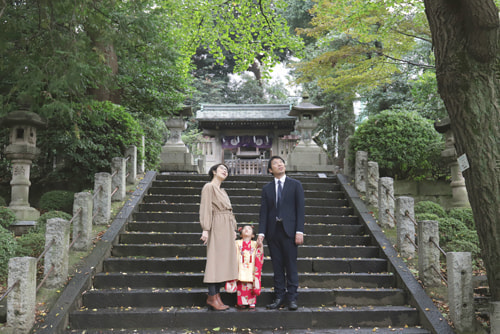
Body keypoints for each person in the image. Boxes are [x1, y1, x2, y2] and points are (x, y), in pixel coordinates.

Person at [257, 156, 305, 311]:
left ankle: (292, 298)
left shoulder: (295, 185)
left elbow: (300, 210)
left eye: (281, 163)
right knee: (277, 267)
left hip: (290, 231)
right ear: (270, 170)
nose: (280, 165)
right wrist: (261, 233)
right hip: (272, 232)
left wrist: (299, 231)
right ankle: (279, 297)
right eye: (275, 164)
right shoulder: (267, 189)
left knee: (291, 265)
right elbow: (263, 212)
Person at [199, 163, 238, 311]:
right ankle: (212, 296)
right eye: (222, 168)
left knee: (224, 262)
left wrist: (233, 228)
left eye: (227, 170)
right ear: (214, 171)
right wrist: (205, 229)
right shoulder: (209, 187)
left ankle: (216, 297)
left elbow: (230, 211)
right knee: (215, 261)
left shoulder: (223, 191)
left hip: (227, 226)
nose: (225, 171)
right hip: (216, 225)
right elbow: (205, 208)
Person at [226, 225, 264, 309]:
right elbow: (231, 249)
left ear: (253, 235)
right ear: (241, 234)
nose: (247, 230)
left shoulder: (255, 244)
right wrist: (232, 238)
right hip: (240, 267)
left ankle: (251, 302)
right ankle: (241, 302)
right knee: (241, 284)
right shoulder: (237, 242)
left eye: (249, 229)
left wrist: (260, 245)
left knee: (251, 285)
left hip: (251, 268)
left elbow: (259, 253)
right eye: (244, 229)